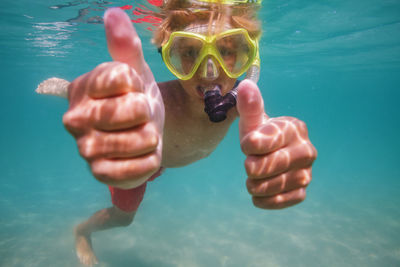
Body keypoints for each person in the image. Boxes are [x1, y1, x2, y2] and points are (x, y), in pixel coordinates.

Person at [61, 0, 317, 266]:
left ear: (248, 58)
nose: (209, 72)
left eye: (227, 51)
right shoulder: (156, 100)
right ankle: (82, 232)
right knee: (123, 218)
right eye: (190, 53)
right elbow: (116, 99)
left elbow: (264, 125)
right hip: (143, 164)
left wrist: (279, 145)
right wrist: (76, 93)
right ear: (170, 57)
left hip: (167, 158)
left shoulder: (242, 101)